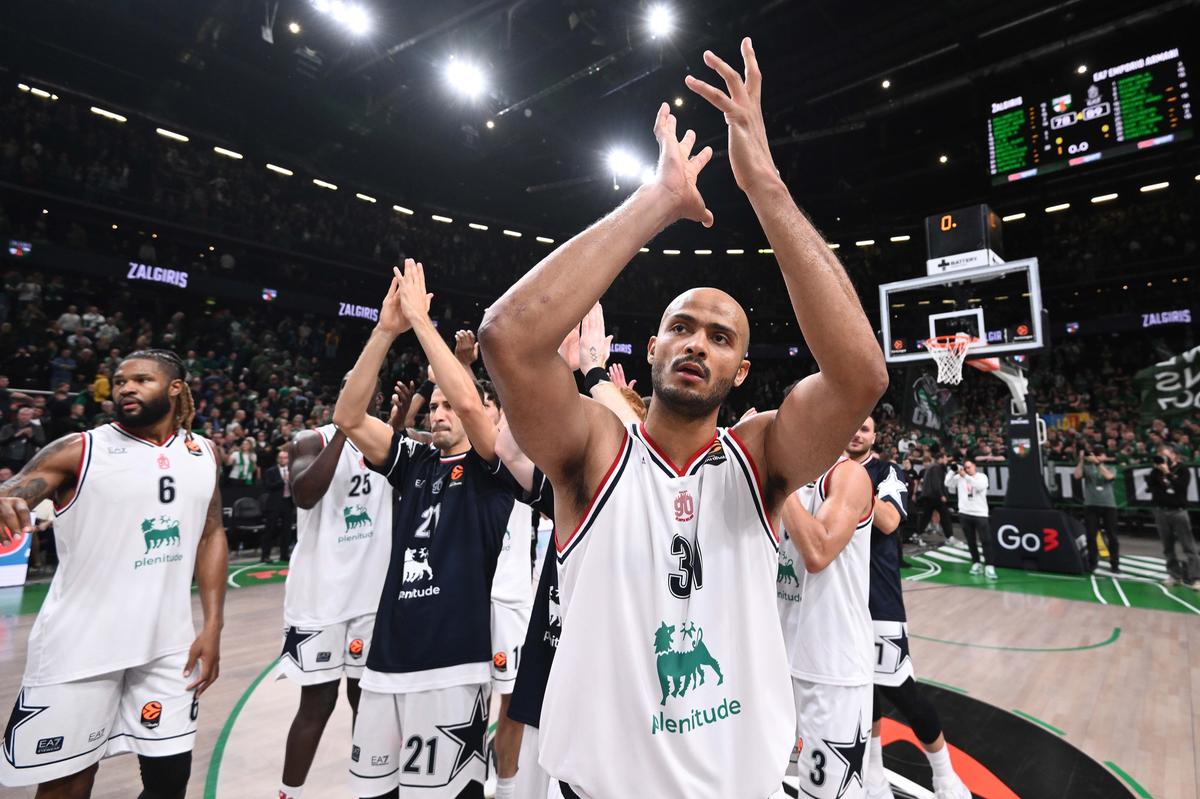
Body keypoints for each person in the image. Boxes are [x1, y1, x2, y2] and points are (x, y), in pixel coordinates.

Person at [479, 38, 888, 798]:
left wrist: (763, 183)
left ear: (740, 369)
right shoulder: (596, 450)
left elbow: (861, 375)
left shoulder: (760, 456)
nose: (697, 340)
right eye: (681, 325)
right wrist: (657, 201)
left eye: (721, 334)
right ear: (655, 345)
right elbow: (507, 337)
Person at [333, 262, 530, 799]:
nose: (441, 411)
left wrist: (422, 321)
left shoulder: (496, 470)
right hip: (387, 658)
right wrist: (384, 331)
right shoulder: (415, 462)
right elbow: (348, 416)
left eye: (448, 405)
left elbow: (470, 400)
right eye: (435, 405)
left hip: (451, 666)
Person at [0, 349, 226, 797]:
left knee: (169, 785)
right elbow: (15, 487)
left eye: (142, 379)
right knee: (69, 783)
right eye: (120, 381)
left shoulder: (204, 452)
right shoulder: (79, 449)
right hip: (83, 645)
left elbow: (211, 534)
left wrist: (214, 624)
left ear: (175, 387)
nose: (126, 388)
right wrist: (5, 496)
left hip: (168, 644)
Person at [275, 378, 405, 799]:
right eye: (349, 387)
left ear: (381, 400)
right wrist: (345, 429)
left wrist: (395, 426)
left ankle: (368, 790)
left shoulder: (389, 442)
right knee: (316, 705)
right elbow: (304, 494)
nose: (361, 393)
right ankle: (287, 794)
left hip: (371, 597)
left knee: (366, 706)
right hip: (320, 599)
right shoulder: (309, 440)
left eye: (370, 390)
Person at [846, 418, 971, 799]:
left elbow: (888, 521)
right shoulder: (822, 470)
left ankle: (946, 776)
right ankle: (874, 776)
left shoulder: (887, 472)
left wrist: (848, 482)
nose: (856, 433)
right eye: (851, 426)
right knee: (860, 692)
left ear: (873, 437)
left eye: (864, 429)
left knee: (902, 691)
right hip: (837, 602)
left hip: (880, 600)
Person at [776, 455, 875, 799]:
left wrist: (776, 480)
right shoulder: (784, 472)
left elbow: (818, 552)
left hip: (832, 668)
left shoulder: (848, 475)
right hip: (777, 659)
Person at [1146, 445, 1200, 589]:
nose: (1163, 458)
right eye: (1160, 455)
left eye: (1165, 455)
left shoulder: (1183, 470)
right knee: (1167, 546)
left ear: (1175, 456)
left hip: (1178, 511)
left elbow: (1180, 487)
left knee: (1188, 546)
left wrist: (1168, 473)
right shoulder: (1155, 471)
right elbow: (1150, 486)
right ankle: (1174, 574)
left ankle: (1196, 578)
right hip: (1161, 511)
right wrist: (1157, 469)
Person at [944, 460, 994, 579]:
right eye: (965, 467)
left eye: (969, 467)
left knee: (985, 540)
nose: (967, 469)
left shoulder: (982, 477)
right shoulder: (960, 478)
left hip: (980, 513)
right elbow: (948, 483)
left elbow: (979, 486)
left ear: (974, 466)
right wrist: (952, 470)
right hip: (965, 513)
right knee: (970, 541)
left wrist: (965, 476)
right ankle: (976, 563)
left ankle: (989, 565)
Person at [1074, 446, 1120, 573]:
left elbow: (1109, 477)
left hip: (1109, 505)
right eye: (1095, 454)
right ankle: (1092, 562)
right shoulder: (1087, 467)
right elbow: (1077, 476)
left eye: (1099, 454)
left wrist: (1098, 463)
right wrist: (1082, 461)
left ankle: (1115, 563)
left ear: (1104, 456)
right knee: (1091, 535)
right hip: (1091, 505)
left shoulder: (1110, 466)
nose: (1096, 456)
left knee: (1112, 536)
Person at [262, 449, 297, 562]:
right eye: (281, 457)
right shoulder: (271, 471)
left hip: (288, 503)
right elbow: (268, 486)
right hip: (274, 504)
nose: (283, 460)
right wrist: (283, 481)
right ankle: (265, 556)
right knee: (270, 530)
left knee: (286, 530)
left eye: (285, 457)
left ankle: (284, 554)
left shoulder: (292, 471)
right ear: (278, 459)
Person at [916, 452, 951, 541]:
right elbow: (936, 483)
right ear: (940, 459)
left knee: (926, 516)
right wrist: (942, 495)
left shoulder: (933, 467)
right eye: (945, 458)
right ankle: (950, 537)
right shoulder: (936, 467)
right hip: (934, 496)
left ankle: (917, 534)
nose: (946, 460)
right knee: (944, 516)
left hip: (929, 496)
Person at [0, 406, 45, 472]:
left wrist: (31, 436)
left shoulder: (37, 428)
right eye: (22, 414)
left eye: (27, 415)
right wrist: (15, 436)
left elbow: (42, 444)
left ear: (31, 416)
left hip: (26, 460)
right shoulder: (7, 427)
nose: (24, 417)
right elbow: (1, 442)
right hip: (7, 459)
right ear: (18, 415)